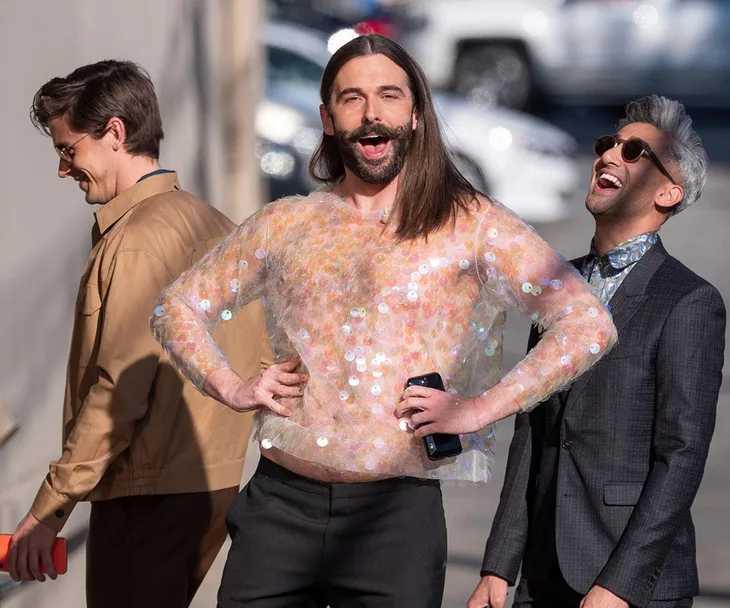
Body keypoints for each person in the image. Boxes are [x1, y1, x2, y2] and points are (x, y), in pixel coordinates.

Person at [151, 34, 617, 608]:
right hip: (278, 508)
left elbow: (587, 324)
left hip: (395, 520)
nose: (372, 113)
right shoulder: (285, 223)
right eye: (352, 98)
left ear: (416, 113)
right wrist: (231, 386)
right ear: (327, 118)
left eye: (389, 96)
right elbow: (176, 307)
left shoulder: (470, 223)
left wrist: (477, 408)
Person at [7, 60, 272, 608]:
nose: (63, 168)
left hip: (147, 494)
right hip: (211, 485)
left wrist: (48, 510)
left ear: (115, 133)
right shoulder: (213, 223)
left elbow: (117, 388)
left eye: (68, 149)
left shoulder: (136, 242)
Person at [470, 95, 726, 608]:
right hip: (541, 575)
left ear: (669, 193)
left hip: (630, 585)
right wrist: (499, 565)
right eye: (608, 144)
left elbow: (681, 457)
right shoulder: (559, 285)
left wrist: (620, 585)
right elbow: (531, 430)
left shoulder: (690, 301)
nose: (609, 156)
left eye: (634, 152)